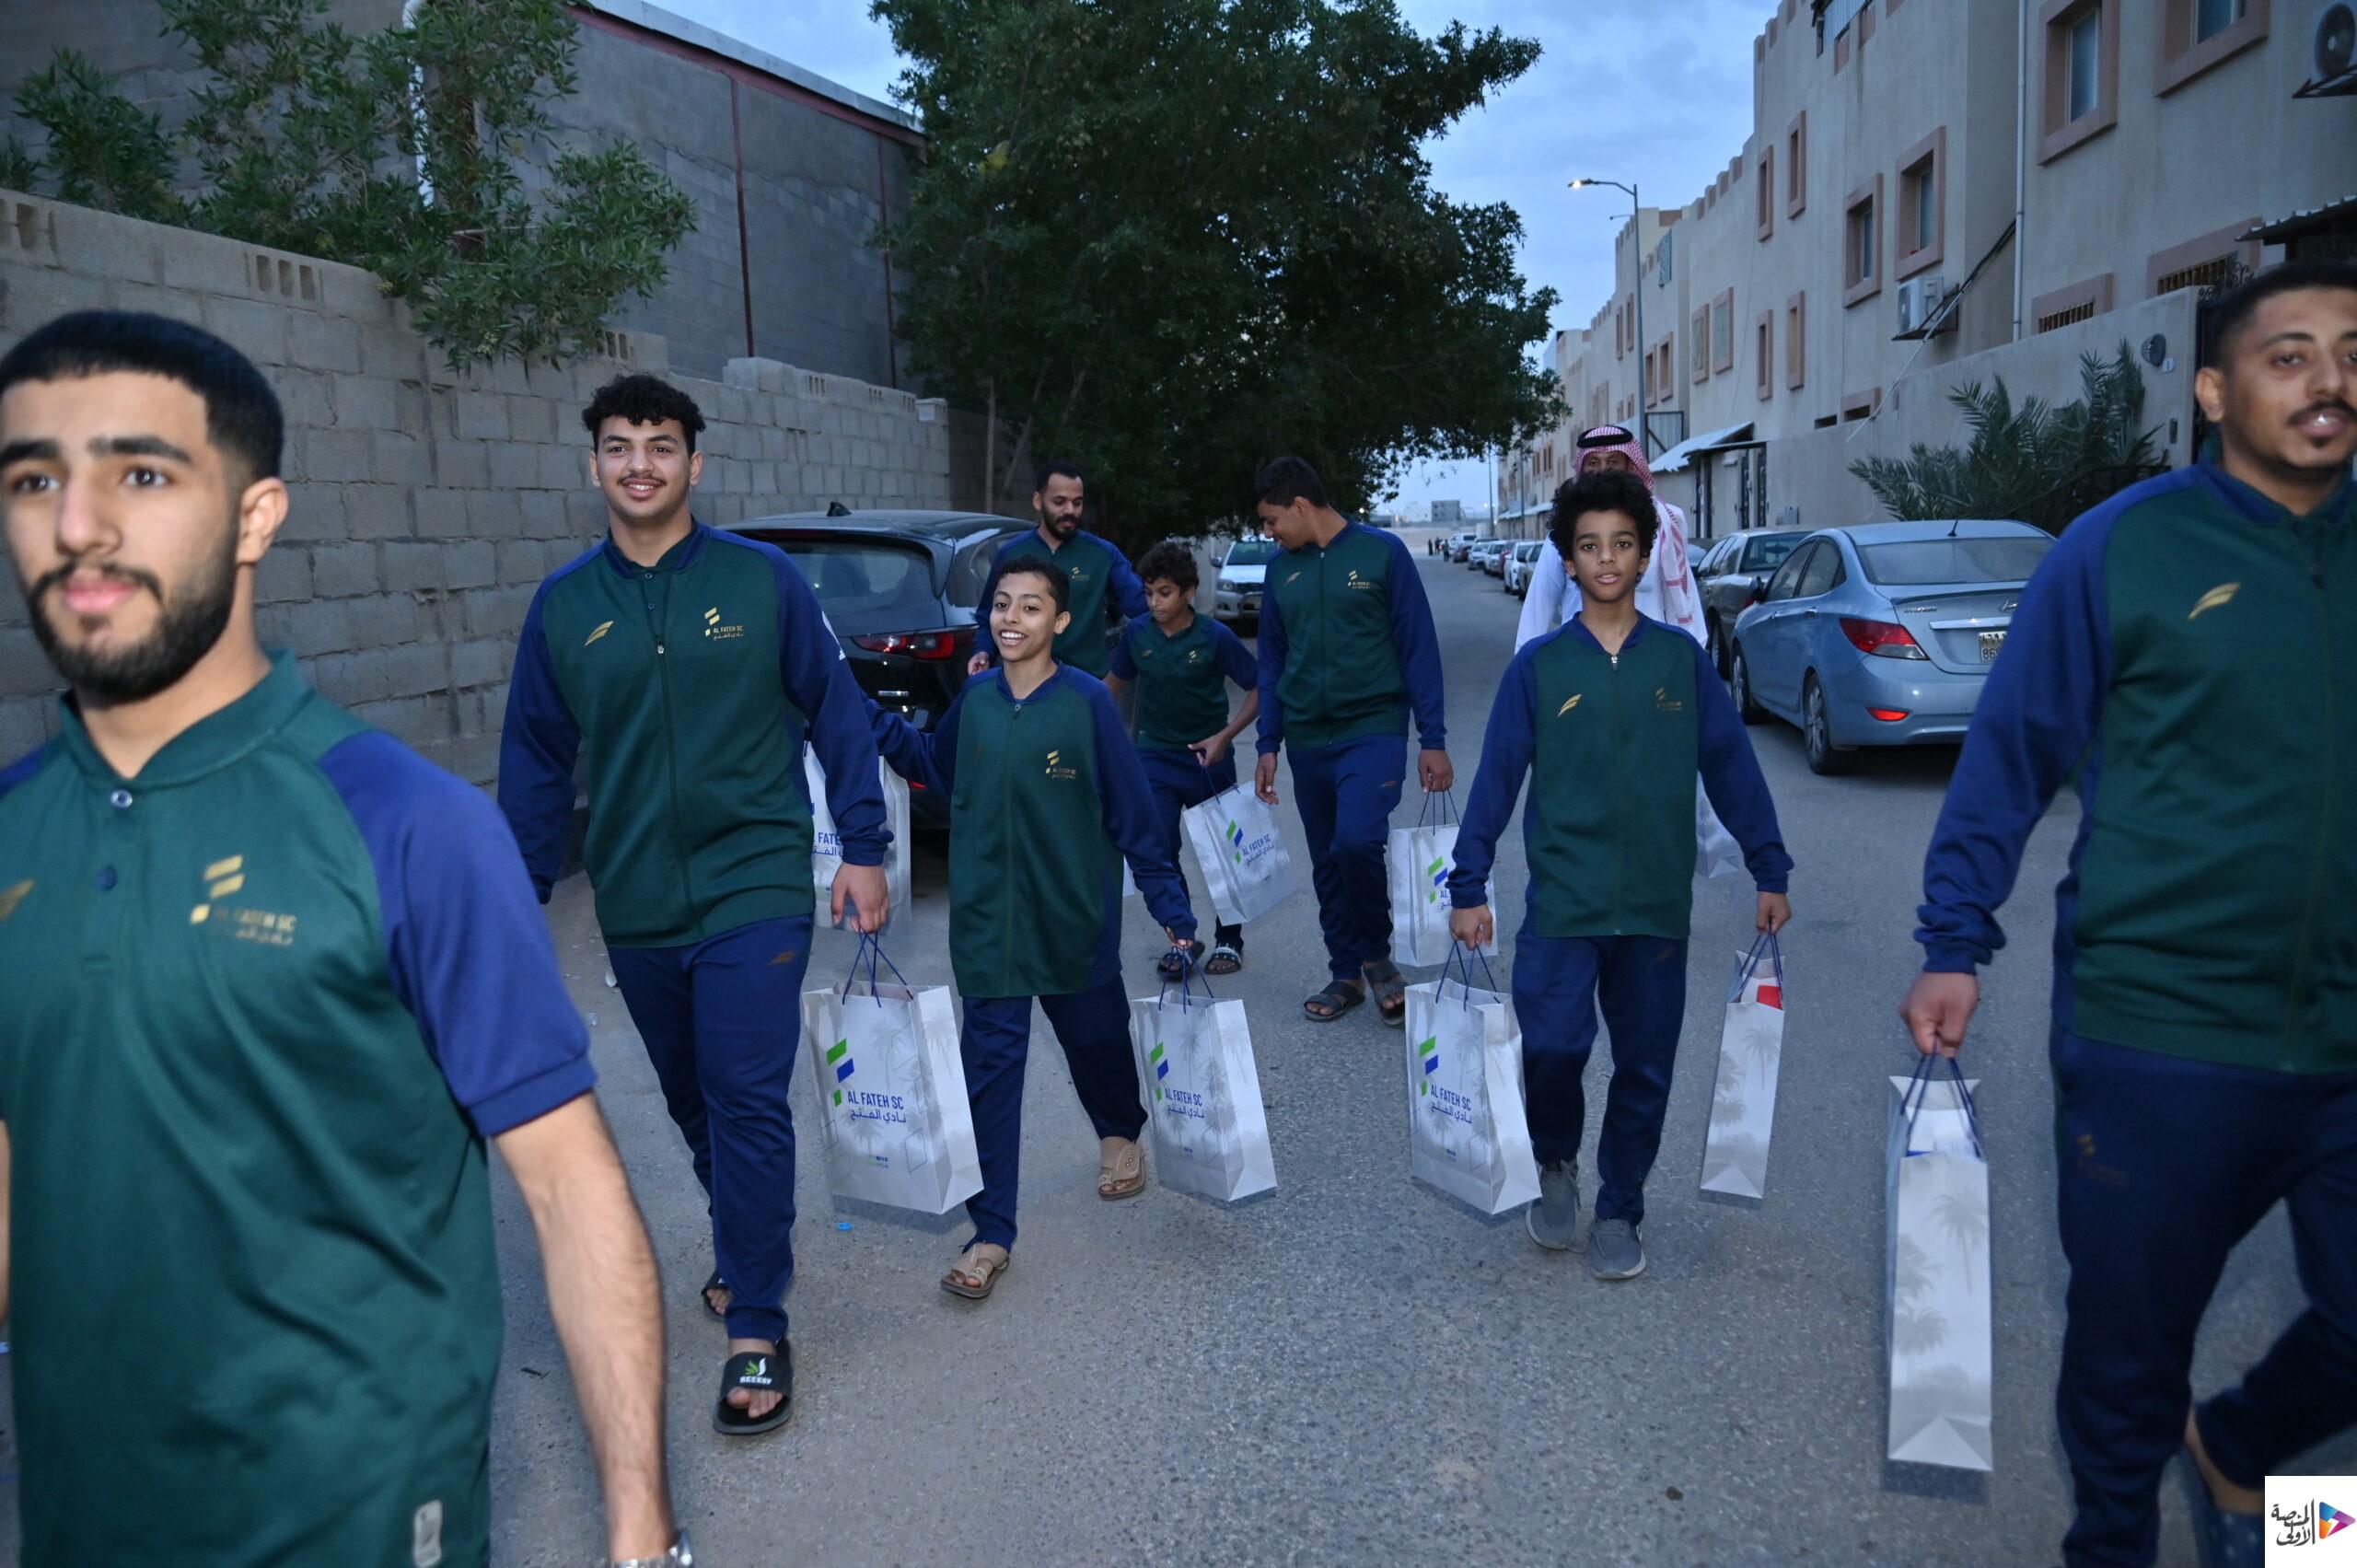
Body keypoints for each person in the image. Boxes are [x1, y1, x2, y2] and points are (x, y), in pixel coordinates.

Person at [0, 312, 679, 1565]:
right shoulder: (11, 833)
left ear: (255, 516)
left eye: (140, 474)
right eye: (35, 478)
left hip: (359, 1518)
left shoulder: (407, 824)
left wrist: (643, 1536)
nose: (78, 524)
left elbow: (569, 1188)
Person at [1901, 260, 2357, 1568]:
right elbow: (2009, 753)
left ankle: (2241, 1453)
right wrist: (1952, 941)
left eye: (2350, 353)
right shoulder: (2123, 546)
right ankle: (2114, 1540)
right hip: (2158, 1033)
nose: (2327, 379)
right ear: (2213, 389)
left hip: (2346, 1035)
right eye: (2288, 354)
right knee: (2126, 1356)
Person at [500, 372, 890, 1438]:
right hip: (635, 893)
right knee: (690, 1100)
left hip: (754, 879)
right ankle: (747, 1235)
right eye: (620, 446)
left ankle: (757, 1317)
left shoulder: (760, 581)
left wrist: (863, 845)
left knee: (744, 1092)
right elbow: (534, 759)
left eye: (660, 445)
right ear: (594, 464)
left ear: (694, 462)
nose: (640, 464)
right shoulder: (565, 607)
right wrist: (518, 897)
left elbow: (836, 711)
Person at [1450, 468, 1792, 1282]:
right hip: (1563, 902)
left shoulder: (1681, 662)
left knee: (1644, 1064)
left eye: (1622, 543)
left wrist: (1768, 865)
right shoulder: (1539, 667)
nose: (1606, 558)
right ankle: (1555, 1159)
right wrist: (1467, 884)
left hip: (1653, 907)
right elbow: (1496, 778)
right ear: (1568, 559)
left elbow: (1732, 768)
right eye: (1589, 545)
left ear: (1644, 557)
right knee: (1553, 1046)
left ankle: (1621, 1206)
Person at [875, 556, 1197, 1299]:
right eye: (1002, 605)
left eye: (1030, 606)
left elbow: (1132, 814)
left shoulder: (1086, 704)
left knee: (1096, 1041)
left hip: (1072, 919)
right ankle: (991, 1232)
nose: (1011, 618)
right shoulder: (977, 699)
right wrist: (865, 718)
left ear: (1061, 621)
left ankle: (1119, 1128)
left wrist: (1171, 908)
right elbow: (934, 767)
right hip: (989, 926)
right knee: (988, 1076)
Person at [1250, 455, 1449, 1026]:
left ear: (1300, 506)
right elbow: (1271, 661)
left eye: (1271, 520)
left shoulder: (1382, 553)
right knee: (1326, 859)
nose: (1269, 532)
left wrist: (1432, 736)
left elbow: (1417, 645)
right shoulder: (1279, 571)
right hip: (1308, 737)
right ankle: (1346, 974)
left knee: (1356, 842)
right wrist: (1268, 743)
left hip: (1373, 727)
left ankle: (1376, 956)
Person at [1105, 539, 1259, 976]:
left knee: (1222, 853)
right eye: (1148, 592)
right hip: (1154, 756)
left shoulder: (1215, 636)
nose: (1154, 602)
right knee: (1158, 851)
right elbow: (1108, 689)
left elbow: (1259, 687)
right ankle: (1183, 938)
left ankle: (1230, 939)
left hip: (1209, 757)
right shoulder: (1137, 634)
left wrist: (1225, 736)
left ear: (1188, 592)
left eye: (1165, 593)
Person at [1514, 425, 1702, 652]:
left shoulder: (1665, 521)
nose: (1603, 471)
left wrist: (1693, 656)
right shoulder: (1567, 528)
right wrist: (1526, 662)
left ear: (1629, 466)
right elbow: (1538, 607)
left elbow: (1684, 599)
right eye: (1593, 463)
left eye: (1613, 462)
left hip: (1651, 657)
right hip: (1581, 656)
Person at [966, 459, 1148, 679]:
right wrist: (983, 651)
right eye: (1059, 501)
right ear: (1038, 500)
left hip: (1085, 684)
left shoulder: (1103, 554)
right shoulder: (1011, 553)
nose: (1070, 510)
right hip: (1024, 685)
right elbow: (988, 616)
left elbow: (1144, 607)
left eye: (1077, 503)